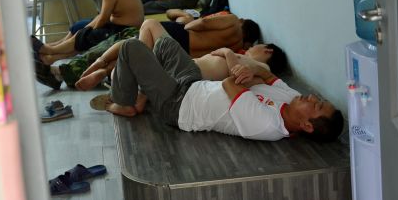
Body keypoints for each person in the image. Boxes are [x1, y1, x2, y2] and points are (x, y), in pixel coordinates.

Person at [103, 35, 343, 143]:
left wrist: (243, 72)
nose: (312, 97)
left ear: (307, 125)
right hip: (195, 86)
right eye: (318, 99)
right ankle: (143, 95)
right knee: (165, 44)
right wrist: (254, 73)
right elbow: (268, 75)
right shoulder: (292, 98)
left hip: (180, 107)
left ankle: (124, 102)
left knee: (131, 47)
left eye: (317, 105)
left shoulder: (267, 124)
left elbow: (230, 82)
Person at [76, 18, 286, 91]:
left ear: (267, 50)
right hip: (188, 60)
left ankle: (101, 67)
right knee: (132, 45)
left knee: (143, 31)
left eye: (255, 46)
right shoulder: (244, 53)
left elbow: (198, 24)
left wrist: (228, 53)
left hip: (186, 56)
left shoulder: (262, 67)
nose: (250, 49)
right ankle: (105, 71)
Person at [33, 0, 144, 65]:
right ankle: (51, 57)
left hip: (127, 31)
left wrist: (87, 31)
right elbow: (102, 17)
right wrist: (87, 29)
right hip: (119, 25)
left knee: (85, 36)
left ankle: (50, 50)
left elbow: (103, 18)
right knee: (83, 32)